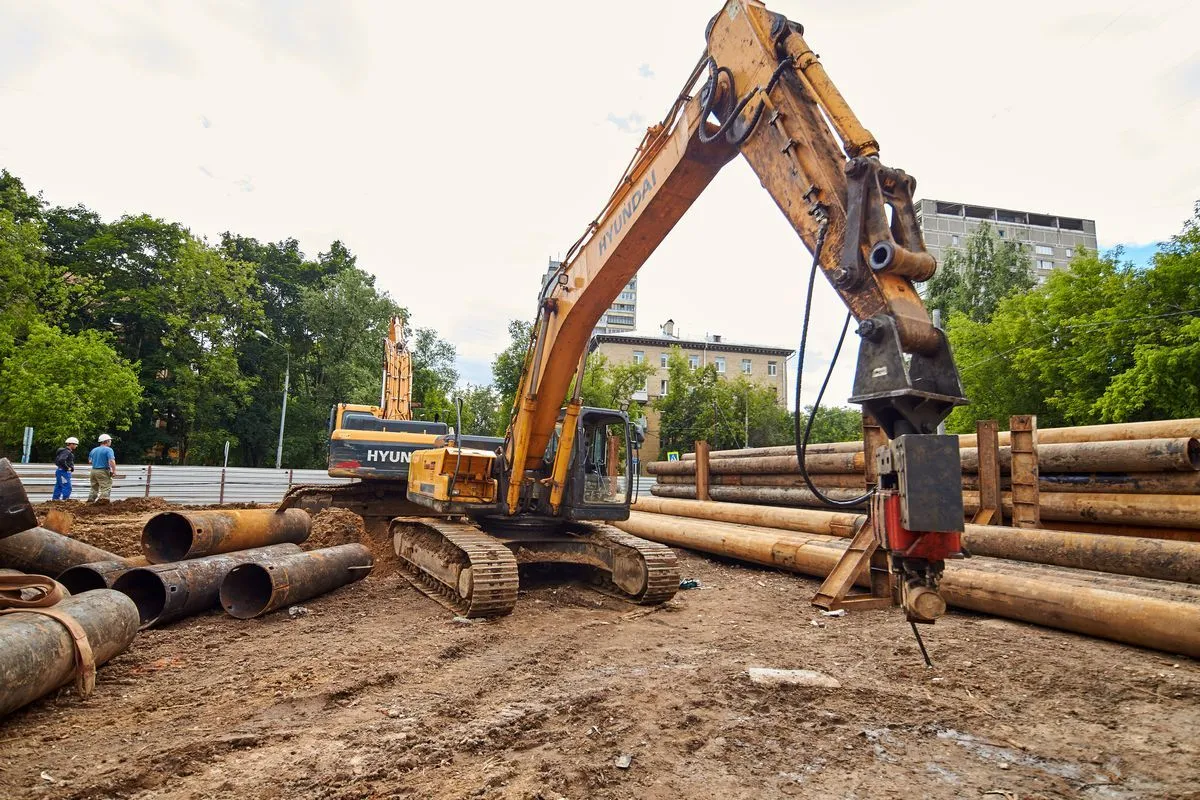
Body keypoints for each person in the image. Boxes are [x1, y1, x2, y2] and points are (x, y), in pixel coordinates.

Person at [87, 434, 117, 503]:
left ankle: (90, 501)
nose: (111, 442)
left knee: (94, 488)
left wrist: (97, 462)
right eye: (110, 440)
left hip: (93, 471)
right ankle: (103, 502)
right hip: (102, 471)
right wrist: (114, 471)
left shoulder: (94, 450)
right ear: (107, 441)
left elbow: (90, 461)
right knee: (106, 487)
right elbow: (111, 461)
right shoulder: (109, 450)